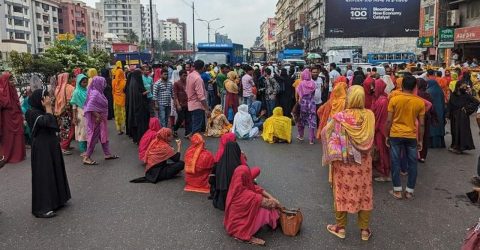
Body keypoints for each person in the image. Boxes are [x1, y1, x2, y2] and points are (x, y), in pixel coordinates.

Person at [322, 85, 374, 241]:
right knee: (364, 193)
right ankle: (364, 231)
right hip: (363, 163)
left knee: (341, 192)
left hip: (344, 162)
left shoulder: (340, 117)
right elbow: (370, 136)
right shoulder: (369, 116)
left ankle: (340, 228)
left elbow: (325, 132)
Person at [26, 88, 71, 218]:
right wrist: (48, 108)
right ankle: (42, 208)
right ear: (39, 100)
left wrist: (48, 109)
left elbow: (54, 125)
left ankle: (57, 201)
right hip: (41, 147)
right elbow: (47, 122)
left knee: (54, 171)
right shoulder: (31, 112)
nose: (49, 99)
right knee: (44, 175)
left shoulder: (42, 111)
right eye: (46, 97)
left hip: (51, 145)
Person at [385, 75, 425, 200]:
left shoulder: (394, 100)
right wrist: (420, 140)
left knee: (395, 162)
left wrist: (387, 135)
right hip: (411, 135)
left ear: (401, 86)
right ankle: (409, 191)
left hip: (395, 134)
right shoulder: (419, 102)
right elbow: (422, 124)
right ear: (414, 87)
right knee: (412, 163)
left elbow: (388, 121)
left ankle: (397, 190)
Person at [224, 165, 280, 246]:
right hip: (241, 227)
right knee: (267, 210)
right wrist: (276, 202)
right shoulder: (249, 195)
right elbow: (269, 204)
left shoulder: (234, 187)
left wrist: (270, 196)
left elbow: (256, 188)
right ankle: (244, 233)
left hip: (232, 223)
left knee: (260, 202)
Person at [211, 141, 260, 210]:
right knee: (256, 170)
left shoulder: (219, 163)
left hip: (222, 198)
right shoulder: (239, 165)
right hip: (235, 198)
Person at [82, 76, 119, 165]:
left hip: (101, 120)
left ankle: (107, 154)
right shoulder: (95, 93)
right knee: (93, 139)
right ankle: (87, 157)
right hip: (97, 121)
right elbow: (89, 106)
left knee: (104, 136)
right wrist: (97, 115)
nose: (104, 84)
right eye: (103, 83)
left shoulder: (98, 92)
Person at [0, 72, 26, 166]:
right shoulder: (1, 91)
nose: (13, 81)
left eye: (13, 79)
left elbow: (17, 103)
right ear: (5, 81)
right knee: (9, 137)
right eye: (10, 80)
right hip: (7, 118)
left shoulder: (13, 89)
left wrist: (21, 114)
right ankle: (9, 156)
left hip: (16, 116)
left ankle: (19, 155)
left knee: (18, 135)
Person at [448, 80, 479, 154]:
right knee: (455, 131)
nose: (465, 88)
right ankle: (455, 146)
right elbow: (450, 106)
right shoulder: (453, 95)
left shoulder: (466, 95)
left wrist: (467, 108)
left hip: (462, 116)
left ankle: (461, 147)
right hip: (454, 116)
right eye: (463, 86)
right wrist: (448, 115)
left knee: (462, 131)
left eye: (465, 87)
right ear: (458, 87)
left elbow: (476, 102)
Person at [372, 78, 391, 182]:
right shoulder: (380, 98)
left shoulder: (382, 101)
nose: (372, 88)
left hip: (381, 130)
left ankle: (385, 174)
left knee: (382, 152)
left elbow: (380, 118)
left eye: (374, 86)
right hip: (380, 129)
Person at [186, 60, 210, 137]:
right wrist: (207, 109)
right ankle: (196, 146)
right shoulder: (198, 78)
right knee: (196, 130)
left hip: (191, 104)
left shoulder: (190, 75)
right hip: (197, 105)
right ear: (203, 68)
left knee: (195, 127)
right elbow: (201, 96)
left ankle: (195, 143)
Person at [54, 72, 75, 155]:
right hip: (68, 112)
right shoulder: (69, 88)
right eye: (69, 77)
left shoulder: (58, 88)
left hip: (60, 112)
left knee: (64, 129)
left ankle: (66, 145)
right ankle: (64, 147)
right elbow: (72, 101)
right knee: (70, 129)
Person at [127, 70, 150, 144]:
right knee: (141, 123)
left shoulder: (132, 84)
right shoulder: (137, 83)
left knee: (135, 123)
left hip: (133, 108)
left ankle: (136, 139)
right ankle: (141, 139)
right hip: (140, 108)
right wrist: (145, 93)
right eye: (140, 75)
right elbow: (138, 95)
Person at [296, 69, 317, 144]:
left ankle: (301, 136)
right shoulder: (313, 83)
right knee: (312, 120)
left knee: (301, 120)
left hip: (303, 104)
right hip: (311, 103)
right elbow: (313, 94)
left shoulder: (301, 83)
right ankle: (311, 139)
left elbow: (299, 94)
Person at [426, 70, 446, 148]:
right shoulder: (440, 91)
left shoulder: (428, 91)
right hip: (440, 111)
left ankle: (432, 144)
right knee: (439, 126)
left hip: (432, 112)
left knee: (432, 127)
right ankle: (439, 143)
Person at [70, 74, 88, 155]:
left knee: (86, 131)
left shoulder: (86, 90)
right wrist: (74, 117)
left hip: (87, 113)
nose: (85, 84)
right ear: (79, 82)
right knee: (81, 132)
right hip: (80, 113)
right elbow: (74, 106)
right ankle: (82, 151)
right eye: (83, 82)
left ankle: (86, 149)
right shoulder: (76, 92)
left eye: (86, 82)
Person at [173, 70, 191, 138]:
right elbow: (175, 95)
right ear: (180, 76)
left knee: (188, 119)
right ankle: (175, 129)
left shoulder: (188, 83)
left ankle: (187, 133)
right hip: (180, 104)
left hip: (188, 104)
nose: (185, 77)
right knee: (181, 118)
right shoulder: (176, 83)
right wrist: (177, 104)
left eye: (186, 75)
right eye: (184, 75)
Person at [112, 62, 127, 135]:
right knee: (124, 115)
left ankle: (119, 129)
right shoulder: (124, 82)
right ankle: (125, 128)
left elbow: (113, 91)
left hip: (115, 100)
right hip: (123, 100)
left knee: (117, 115)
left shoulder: (113, 81)